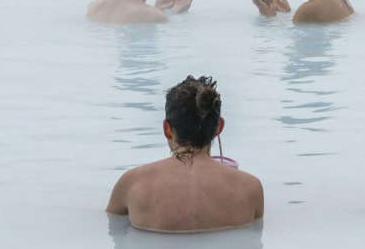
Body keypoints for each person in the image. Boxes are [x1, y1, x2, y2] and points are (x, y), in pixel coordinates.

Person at [106, 76, 264, 233]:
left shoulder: (132, 184)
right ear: (219, 127)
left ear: (167, 129)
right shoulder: (250, 189)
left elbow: (112, 231)